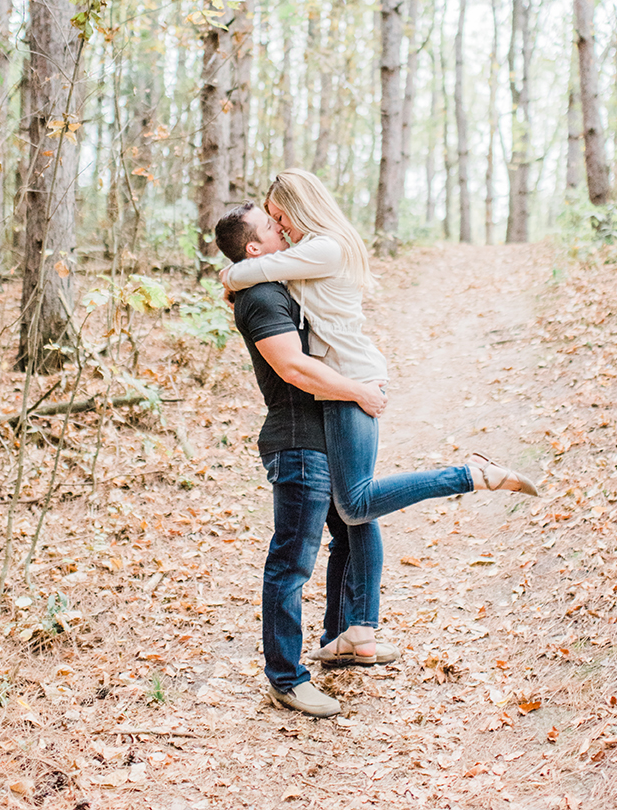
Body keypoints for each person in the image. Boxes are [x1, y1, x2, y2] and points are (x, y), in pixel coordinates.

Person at [219, 170, 538, 666]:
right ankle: (356, 634)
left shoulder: (325, 248)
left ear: (300, 208)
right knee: (355, 513)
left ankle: (470, 474)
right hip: (343, 385)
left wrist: (230, 276)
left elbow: (249, 271)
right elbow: (264, 274)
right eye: (272, 222)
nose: (280, 226)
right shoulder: (307, 254)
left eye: (281, 216)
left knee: (358, 503)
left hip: (351, 384)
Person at [214, 203, 397, 719]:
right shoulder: (261, 296)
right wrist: (359, 391)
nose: (283, 229)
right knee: (292, 561)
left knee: (351, 530)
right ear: (255, 248)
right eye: (272, 227)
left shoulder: (279, 281)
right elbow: (293, 367)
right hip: (297, 443)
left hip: (325, 434)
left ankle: (341, 638)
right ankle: (286, 679)